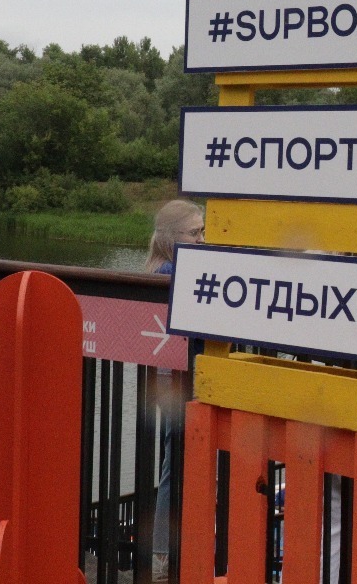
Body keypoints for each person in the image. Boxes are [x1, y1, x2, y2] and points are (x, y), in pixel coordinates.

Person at [145, 199, 205, 580]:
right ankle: (164, 554)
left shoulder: (162, 268)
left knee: (176, 457)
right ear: (171, 238)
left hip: (172, 377)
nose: (202, 239)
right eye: (195, 232)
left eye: (203, 230)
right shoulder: (172, 272)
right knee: (176, 460)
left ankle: (167, 551)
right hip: (180, 378)